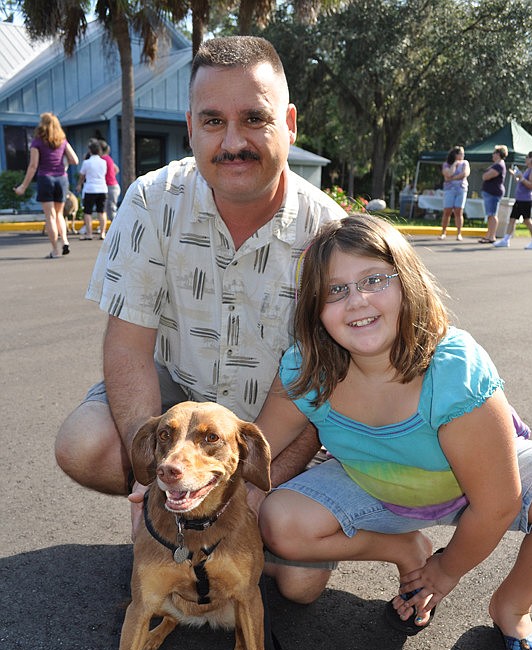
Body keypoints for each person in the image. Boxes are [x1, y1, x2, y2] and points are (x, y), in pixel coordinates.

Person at [54, 36, 345, 565]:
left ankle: (240, 515)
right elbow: (128, 347)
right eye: (213, 121)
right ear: (190, 127)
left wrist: (253, 491)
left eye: (254, 118)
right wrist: (150, 477)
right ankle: (174, 511)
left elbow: (314, 385)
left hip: (276, 420)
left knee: (297, 584)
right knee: (83, 443)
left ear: (290, 123)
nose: (233, 141)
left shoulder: (330, 235)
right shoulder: (149, 201)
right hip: (180, 397)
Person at [254, 214, 532, 650]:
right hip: (377, 486)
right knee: (279, 522)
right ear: (313, 310)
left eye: (374, 280)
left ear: (407, 282)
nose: (357, 300)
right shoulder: (306, 367)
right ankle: (405, 545)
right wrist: (184, 484)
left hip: (475, 485)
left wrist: (444, 572)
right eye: (334, 290)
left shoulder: (452, 369)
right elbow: (255, 449)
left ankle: (512, 605)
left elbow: (497, 503)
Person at [14, 112, 78, 258]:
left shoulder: (37, 142)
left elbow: (33, 166)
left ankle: (55, 250)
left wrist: (23, 186)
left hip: (46, 179)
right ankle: (65, 241)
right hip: (61, 179)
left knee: (50, 216)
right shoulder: (62, 140)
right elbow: (75, 160)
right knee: (60, 214)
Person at [493, 151, 532, 249]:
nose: (526, 159)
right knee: (512, 219)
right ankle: (506, 240)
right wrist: (516, 176)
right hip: (519, 199)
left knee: (527, 220)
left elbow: (530, 185)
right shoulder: (528, 169)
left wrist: (521, 178)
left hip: (525, 199)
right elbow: (522, 182)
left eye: (527, 157)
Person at [76, 140, 108, 240]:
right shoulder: (104, 162)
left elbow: (82, 175)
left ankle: (89, 234)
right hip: (102, 188)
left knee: (88, 212)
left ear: (90, 150)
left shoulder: (86, 162)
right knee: (101, 211)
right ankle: (102, 233)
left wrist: (79, 185)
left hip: (90, 189)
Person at [439, 145, 470, 241]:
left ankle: (459, 233)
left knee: (458, 211)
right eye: (461, 153)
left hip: (461, 189)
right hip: (449, 190)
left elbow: (464, 174)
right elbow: (448, 173)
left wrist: (451, 179)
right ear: (456, 155)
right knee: (447, 211)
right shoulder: (446, 164)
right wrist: (455, 164)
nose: (463, 155)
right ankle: (443, 232)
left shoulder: (465, 163)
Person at [479, 145, 508, 243]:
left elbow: (486, 176)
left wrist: (485, 175)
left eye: (494, 153)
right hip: (490, 192)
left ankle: (492, 236)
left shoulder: (499, 165)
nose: (493, 155)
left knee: (492, 214)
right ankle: (489, 235)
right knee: (490, 215)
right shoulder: (496, 164)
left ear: (499, 154)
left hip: (493, 192)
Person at [99, 140, 121, 223]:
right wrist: (111, 175)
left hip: (109, 186)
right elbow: (117, 169)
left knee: (110, 209)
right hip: (114, 186)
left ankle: (117, 226)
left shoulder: (102, 159)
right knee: (109, 208)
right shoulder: (109, 158)